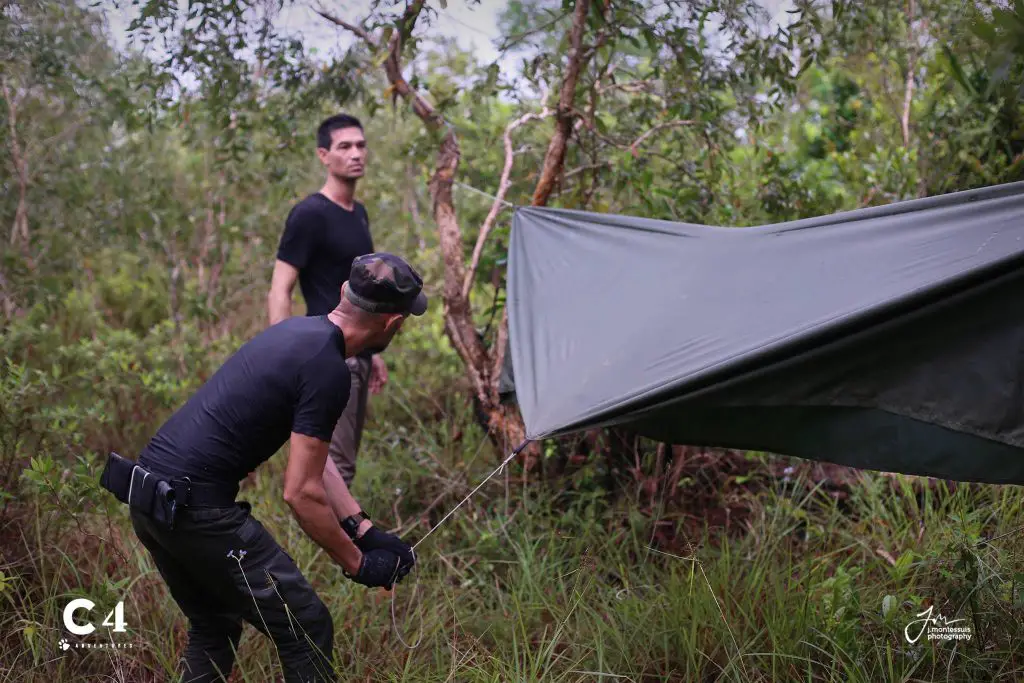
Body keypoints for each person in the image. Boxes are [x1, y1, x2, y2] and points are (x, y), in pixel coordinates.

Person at [105, 253, 426, 683]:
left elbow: (315, 460)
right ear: (393, 324)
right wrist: (357, 564)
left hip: (149, 499)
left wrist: (363, 530)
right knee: (308, 628)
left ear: (341, 295)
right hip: (198, 512)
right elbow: (300, 492)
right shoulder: (329, 370)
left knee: (214, 624)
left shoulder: (296, 332)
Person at [268, 113, 385, 488]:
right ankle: (342, 546)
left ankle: (343, 543)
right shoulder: (309, 214)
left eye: (361, 145)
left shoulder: (358, 213)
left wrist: (375, 350)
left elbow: (359, 293)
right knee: (332, 469)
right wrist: (283, 358)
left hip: (359, 353)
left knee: (340, 465)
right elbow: (280, 289)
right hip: (329, 356)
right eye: (344, 147)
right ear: (323, 155)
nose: (356, 154)